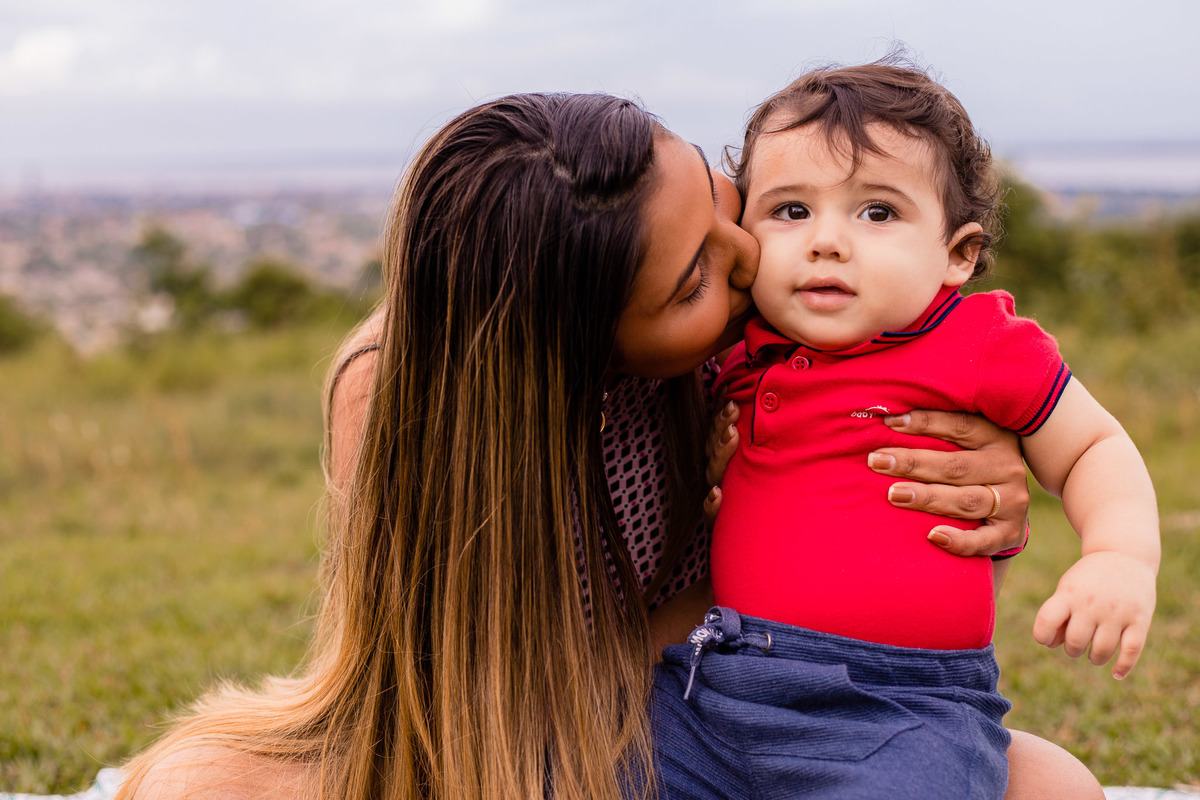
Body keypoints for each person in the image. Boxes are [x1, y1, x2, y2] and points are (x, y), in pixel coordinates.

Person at [114, 92, 1099, 799]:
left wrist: (988, 478)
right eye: (691, 281)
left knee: (1057, 785)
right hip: (576, 718)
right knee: (198, 784)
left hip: (779, 701)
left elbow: (930, 401)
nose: (750, 255)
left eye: (718, 196)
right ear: (580, 353)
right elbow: (472, 686)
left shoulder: (780, 306)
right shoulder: (393, 398)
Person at [649, 61, 1160, 799]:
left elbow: (1092, 447)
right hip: (719, 685)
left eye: (877, 212)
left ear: (957, 254)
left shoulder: (980, 345)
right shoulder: (742, 351)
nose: (826, 241)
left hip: (903, 707)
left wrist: (1118, 556)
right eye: (791, 210)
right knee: (592, 769)